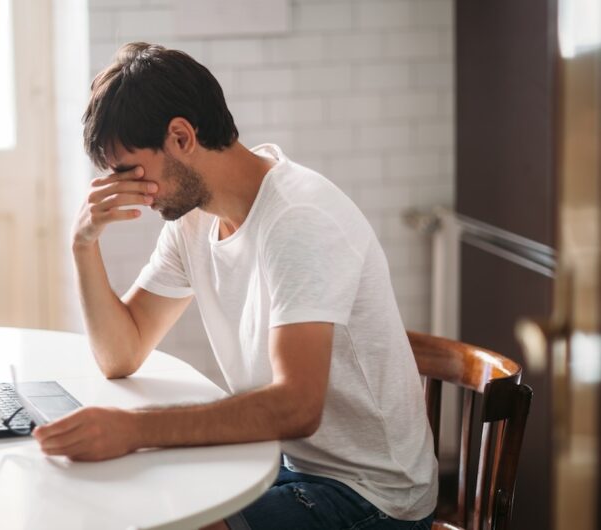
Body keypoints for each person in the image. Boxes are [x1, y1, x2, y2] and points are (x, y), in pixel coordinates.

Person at [32, 42, 437, 530]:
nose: (131, 189)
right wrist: (83, 244)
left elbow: (297, 406)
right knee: (138, 499)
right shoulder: (193, 224)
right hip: (287, 466)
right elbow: (121, 353)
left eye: (131, 169)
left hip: (371, 497)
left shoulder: (298, 219)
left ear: (181, 137)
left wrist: (135, 430)